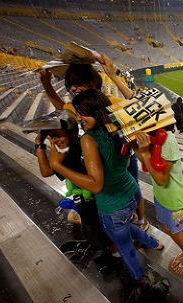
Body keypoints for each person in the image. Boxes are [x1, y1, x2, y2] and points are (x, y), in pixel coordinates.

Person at [48, 89, 164, 285]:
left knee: (124, 246)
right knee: (126, 226)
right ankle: (155, 243)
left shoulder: (88, 139)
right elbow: (126, 164)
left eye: (81, 112)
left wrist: (57, 165)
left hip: (112, 205)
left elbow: (95, 184)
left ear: (95, 111)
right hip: (131, 192)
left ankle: (138, 278)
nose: (78, 117)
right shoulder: (119, 129)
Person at [39, 57, 150, 232]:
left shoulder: (110, 101)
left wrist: (113, 75)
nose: (74, 88)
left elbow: (137, 105)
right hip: (101, 159)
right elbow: (60, 106)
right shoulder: (78, 105)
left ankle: (141, 221)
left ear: (92, 81)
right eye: (71, 85)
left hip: (122, 156)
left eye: (78, 83)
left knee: (132, 188)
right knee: (112, 191)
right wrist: (46, 84)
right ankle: (124, 218)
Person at [34, 110, 122, 275]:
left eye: (58, 135)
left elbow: (47, 170)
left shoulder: (79, 149)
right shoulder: (69, 149)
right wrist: (40, 142)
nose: (54, 140)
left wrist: (53, 160)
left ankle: (117, 256)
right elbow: (46, 171)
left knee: (103, 235)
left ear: (73, 131)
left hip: (98, 205)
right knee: (97, 234)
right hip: (86, 204)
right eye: (51, 137)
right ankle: (113, 251)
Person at [134, 126, 183, 276]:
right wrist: (134, 142)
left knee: (178, 233)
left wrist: (145, 153)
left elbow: (161, 179)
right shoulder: (151, 136)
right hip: (162, 197)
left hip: (174, 200)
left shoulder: (167, 140)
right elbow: (144, 159)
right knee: (169, 229)